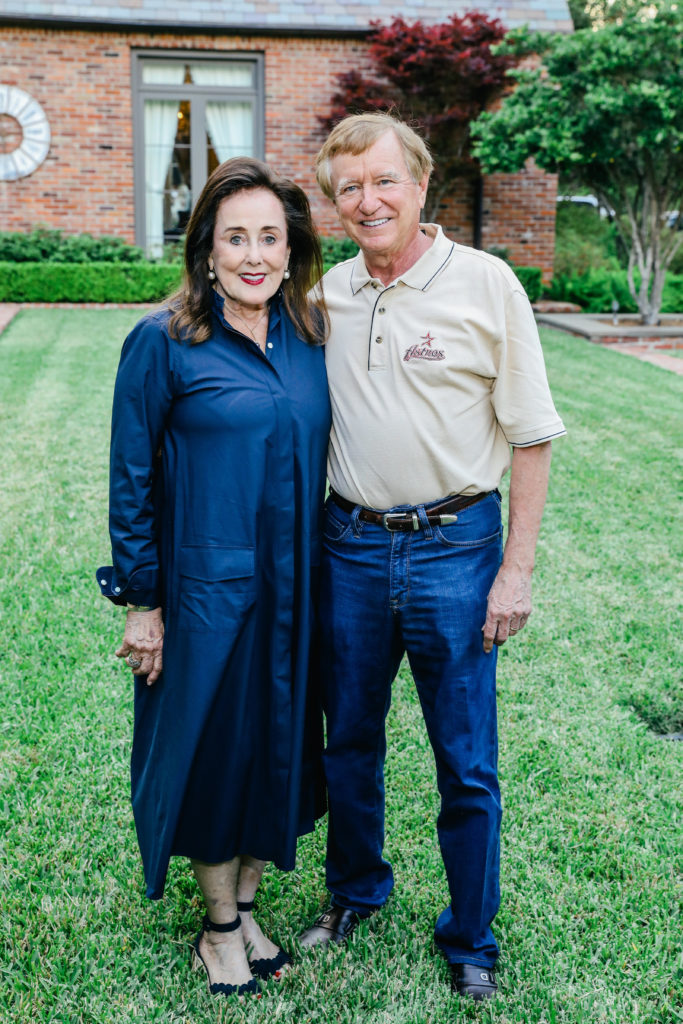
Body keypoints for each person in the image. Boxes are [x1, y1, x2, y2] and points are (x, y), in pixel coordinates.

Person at [298, 113, 566, 1002]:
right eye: (348, 188)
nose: (367, 201)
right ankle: (354, 892)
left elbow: (531, 437)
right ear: (334, 204)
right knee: (351, 744)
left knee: (465, 756)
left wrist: (514, 570)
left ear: (420, 185)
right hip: (350, 548)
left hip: (457, 549)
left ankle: (470, 934)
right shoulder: (326, 295)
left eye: (383, 182)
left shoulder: (487, 285)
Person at [96, 157, 331, 999]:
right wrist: (142, 604)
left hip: (295, 593)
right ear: (205, 249)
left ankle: (250, 902)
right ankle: (220, 928)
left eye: (270, 236)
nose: (254, 254)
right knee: (212, 758)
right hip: (204, 598)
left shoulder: (307, 339)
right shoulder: (163, 343)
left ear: (291, 246)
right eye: (236, 237)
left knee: (281, 752)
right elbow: (131, 481)